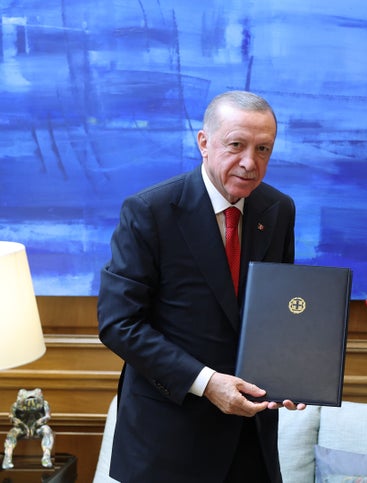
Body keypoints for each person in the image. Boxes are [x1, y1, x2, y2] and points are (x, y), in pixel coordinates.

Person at [97, 90, 302, 482]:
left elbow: (276, 309)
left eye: (263, 149)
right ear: (204, 143)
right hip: (168, 442)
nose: (250, 163)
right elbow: (118, 323)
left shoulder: (278, 209)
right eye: (236, 145)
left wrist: (290, 376)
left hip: (250, 440)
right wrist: (207, 383)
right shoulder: (149, 211)